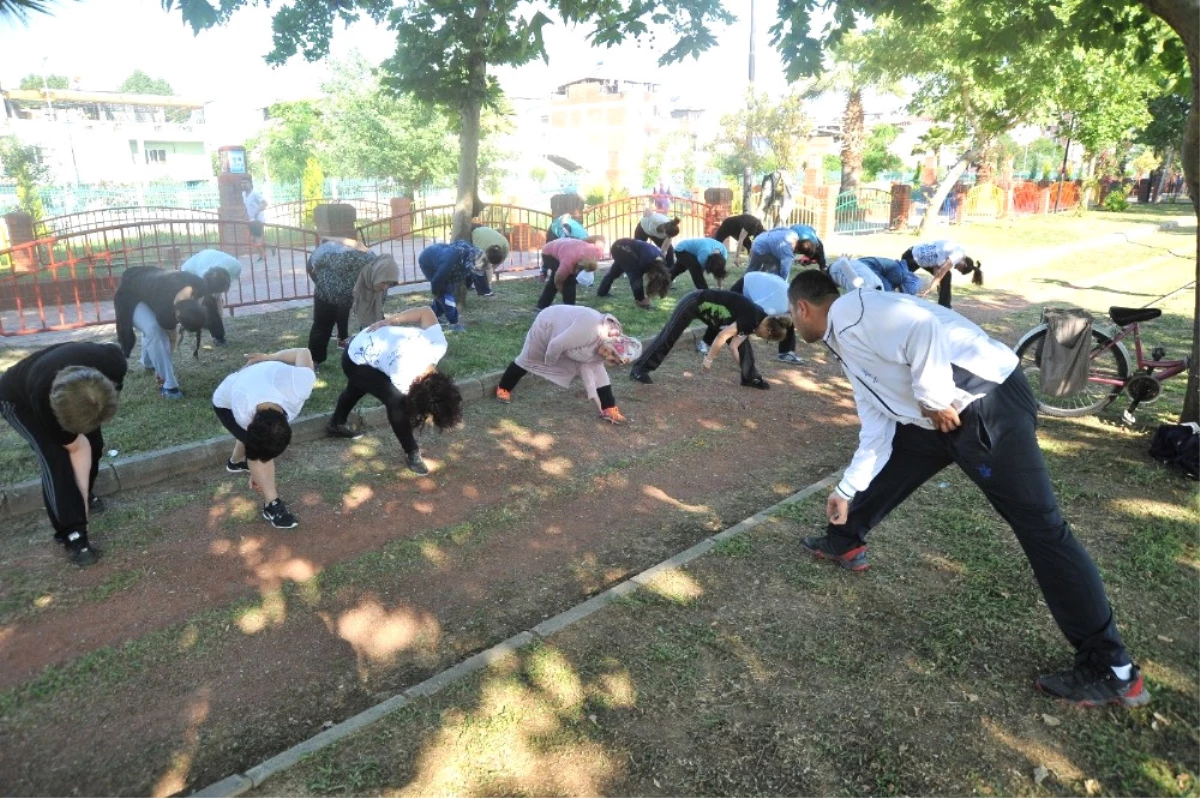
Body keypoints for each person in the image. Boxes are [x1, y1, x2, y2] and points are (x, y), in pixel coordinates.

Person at [786, 269, 1147, 707]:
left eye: (791, 313)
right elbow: (878, 427)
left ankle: (1112, 668)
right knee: (902, 454)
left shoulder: (854, 312)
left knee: (1042, 529)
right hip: (941, 417)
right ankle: (844, 536)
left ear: (802, 308)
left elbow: (921, 327)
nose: (791, 321)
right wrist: (845, 488)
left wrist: (934, 398)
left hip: (984, 405)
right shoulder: (845, 343)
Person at [0, 342, 126, 566]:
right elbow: (77, 450)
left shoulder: (113, 363)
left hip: (77, 391)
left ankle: (83, 495)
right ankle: (73, 533)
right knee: (56, 457)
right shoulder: (42, 395)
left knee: (94, 442)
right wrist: (81, 518)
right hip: (17, 400)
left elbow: (88, 438)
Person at [326, 307, 463, 476]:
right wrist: (388, 321)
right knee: (395, 401)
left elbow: (426, 312)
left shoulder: (438, 345)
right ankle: (411, 452)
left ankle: (336, 424)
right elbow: (403, 407)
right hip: (355, 358)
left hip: (371, 343)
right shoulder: (403, 376)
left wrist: (390, 320)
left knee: (358, 387)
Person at [212, 348, 316, 529]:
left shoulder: (301, 384)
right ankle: (271, 504)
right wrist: (256, 471)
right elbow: (255, 445)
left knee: (256, 442)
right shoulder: (243, 410)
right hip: (225, 402)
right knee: (256, 450)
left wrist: (270, 357)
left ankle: (236, 462)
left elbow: (303, 352)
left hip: (258, 379)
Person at [494, 305, 641, 425]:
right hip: (547, 325)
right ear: (614, 342)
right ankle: (504, 388)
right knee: (529, 358)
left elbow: (594, 368)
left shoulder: (608, 339)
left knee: (598, 369)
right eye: (612, 353)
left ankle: (608, 407)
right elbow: (555, 345)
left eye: (615, 360)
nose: (608, 356)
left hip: (568, 337)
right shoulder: (590, 330)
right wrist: (550, 365)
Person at [629, 288, 791, 389]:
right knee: (669, 335)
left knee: (744, 347)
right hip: (694, 302)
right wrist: (709, 359)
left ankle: (750, 378)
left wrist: (743, 367)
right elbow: (722, 336)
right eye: (767, 339)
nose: (763, 339)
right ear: (768, 330)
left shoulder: (757, 321)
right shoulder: (751, 317)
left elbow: (735, 346)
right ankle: (639, 369)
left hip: (712, 315)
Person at [114, 265, 213, 399]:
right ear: (177, 315)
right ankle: (169, 385)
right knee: (154, 329)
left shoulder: (200, 285)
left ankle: (148, 362)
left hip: (148, 284)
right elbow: (171, 339)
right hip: (129, 295)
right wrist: (165, 366)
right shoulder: (165, 312)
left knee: (152, 328)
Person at [306, 237, 396, 366]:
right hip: (322, 270)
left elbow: (374, 317)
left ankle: (347, 340)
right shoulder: (350, 259)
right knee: (324, 320)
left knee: (346, 304)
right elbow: (319, 260)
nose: (385, 287)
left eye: (390, 284)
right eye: (384, 283)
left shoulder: (382, 281)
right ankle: (314, 361)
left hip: (347, 283)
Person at [725, 271, 805, 365]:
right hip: (747, 284)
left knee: (788, 322)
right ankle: (706, 342)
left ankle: (785, 352)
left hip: (759, 284)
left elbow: (787, 322)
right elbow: (752, 315)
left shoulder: (791, 301)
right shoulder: (778, 306)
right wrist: (744, 333)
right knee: (724, 314)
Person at [181, 248, 244, 346]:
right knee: (207, 303)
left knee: (215, 299)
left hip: (208, 261)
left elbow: (223, 286)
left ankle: (216, 328)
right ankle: (213, 333)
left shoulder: (236, 267)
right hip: (190, 270)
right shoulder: (203, 276)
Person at [899, 239, 983, 309]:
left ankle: (944, 305)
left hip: (921, 259)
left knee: (947, 275)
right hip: (912, 256)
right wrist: (931, 288)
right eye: (959, 269)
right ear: (965, 264)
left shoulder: (957, 252)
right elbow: (941, 272)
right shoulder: (958, 255)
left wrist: (939, 287)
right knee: (900, 279)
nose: (955, 268)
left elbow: (937, 268)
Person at [417, 240, 480, 332]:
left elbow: (469, 273)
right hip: (428, 262)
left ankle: (433, 315)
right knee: (445, 294)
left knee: (448, 291)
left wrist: (469, 284)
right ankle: (454, 323)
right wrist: (436, 292)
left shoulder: (471, 257)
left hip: (442, 261)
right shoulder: (451, 261)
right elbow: (437, 280)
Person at [596, 238, 671, 309]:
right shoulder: (646, 262)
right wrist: (642, 297)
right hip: (620, 248)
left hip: (624, 248)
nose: (650, 277)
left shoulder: (661, 262)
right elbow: (636, 278)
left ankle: (602, 292)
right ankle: (641, 301)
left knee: (614, 273)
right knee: (634, 275)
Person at [537, 237, 601, 310]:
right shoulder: (567, 264)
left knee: (564, 279)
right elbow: (558, 282)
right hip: (548, 253)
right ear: (578, 267)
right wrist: (565, 294)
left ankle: (542, 305)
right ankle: (570, 308)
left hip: (566, 246)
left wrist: (582, 241)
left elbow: (600, 237)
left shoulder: (597, 252)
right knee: (568, 281)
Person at [470, 224, 509, 296]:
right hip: (477, 232)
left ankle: (484, 288)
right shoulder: (480, 249)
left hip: (485, 233)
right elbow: (478, 268)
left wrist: (489, 284)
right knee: (478, 269)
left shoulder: (505, 248)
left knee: (484, 267)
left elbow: (491, 267)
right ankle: (483, 291)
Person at [857, 255, 923, 295]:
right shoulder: (899, 275)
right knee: (886, 291)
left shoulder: (901, 272)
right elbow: (886, 288)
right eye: (902, 291)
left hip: (864, 265)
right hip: (867, 266)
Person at [241, 178, 268, 261]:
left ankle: (263, 256)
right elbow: (247, 206)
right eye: (242, 183)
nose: (243, 185)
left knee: (256, 239)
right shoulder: (243, 194)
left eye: (245, 182)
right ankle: (271, 247)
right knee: (253, 239)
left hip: (258, 220)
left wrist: (257, 212)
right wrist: (244, 214)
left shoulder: (255, 193)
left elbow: (265, 203)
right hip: (251, 220)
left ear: (250, 184)